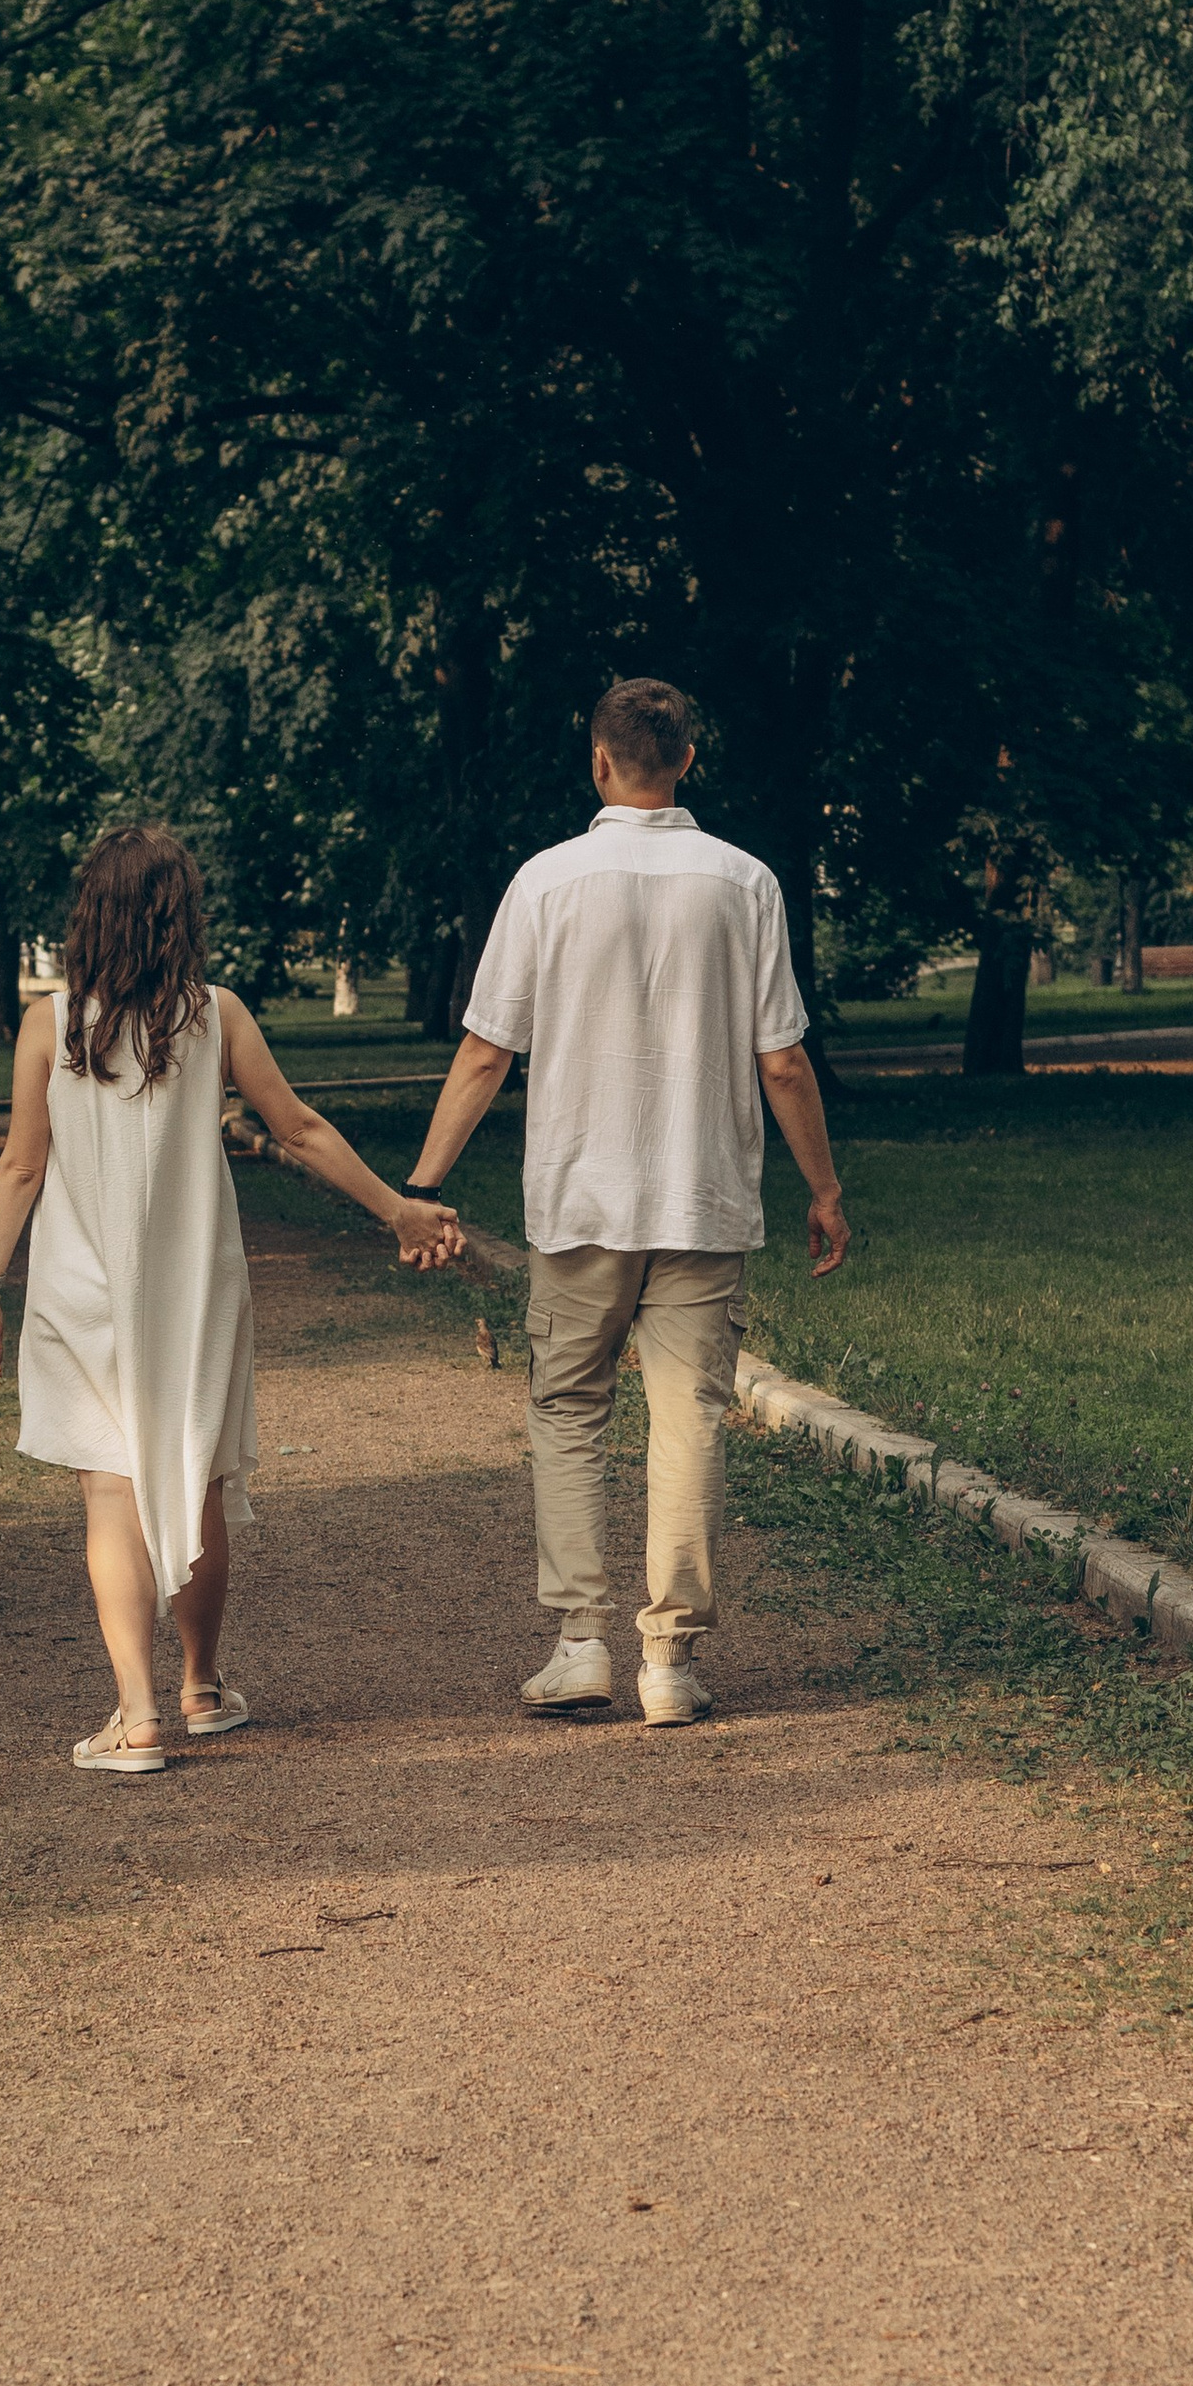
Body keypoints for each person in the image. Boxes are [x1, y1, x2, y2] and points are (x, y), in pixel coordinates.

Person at [0, 824, 463, 1776]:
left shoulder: (50, 1022)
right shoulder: (216, 1015)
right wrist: (397, 1210)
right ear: (179, 915)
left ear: (92, 914)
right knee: (195, 1479)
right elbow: (303, 1131)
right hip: (196, 1288)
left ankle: (137, 1715)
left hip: (82, 1290)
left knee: (110, 1494)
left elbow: (23, 1163)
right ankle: (201, 1686)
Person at [404, 677, 850, 1729]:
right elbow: (781, 1062)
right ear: (686, 759)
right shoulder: (744, 883)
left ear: (599, 761)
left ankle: (578, 1646)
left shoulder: (547, 882)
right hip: (702, 1200)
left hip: (578, 1201)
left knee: (567, 1413)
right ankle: (669, 1662)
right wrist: (823, 1190)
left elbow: (484, 1050)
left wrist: (422, 1184)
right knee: (687, 1421)